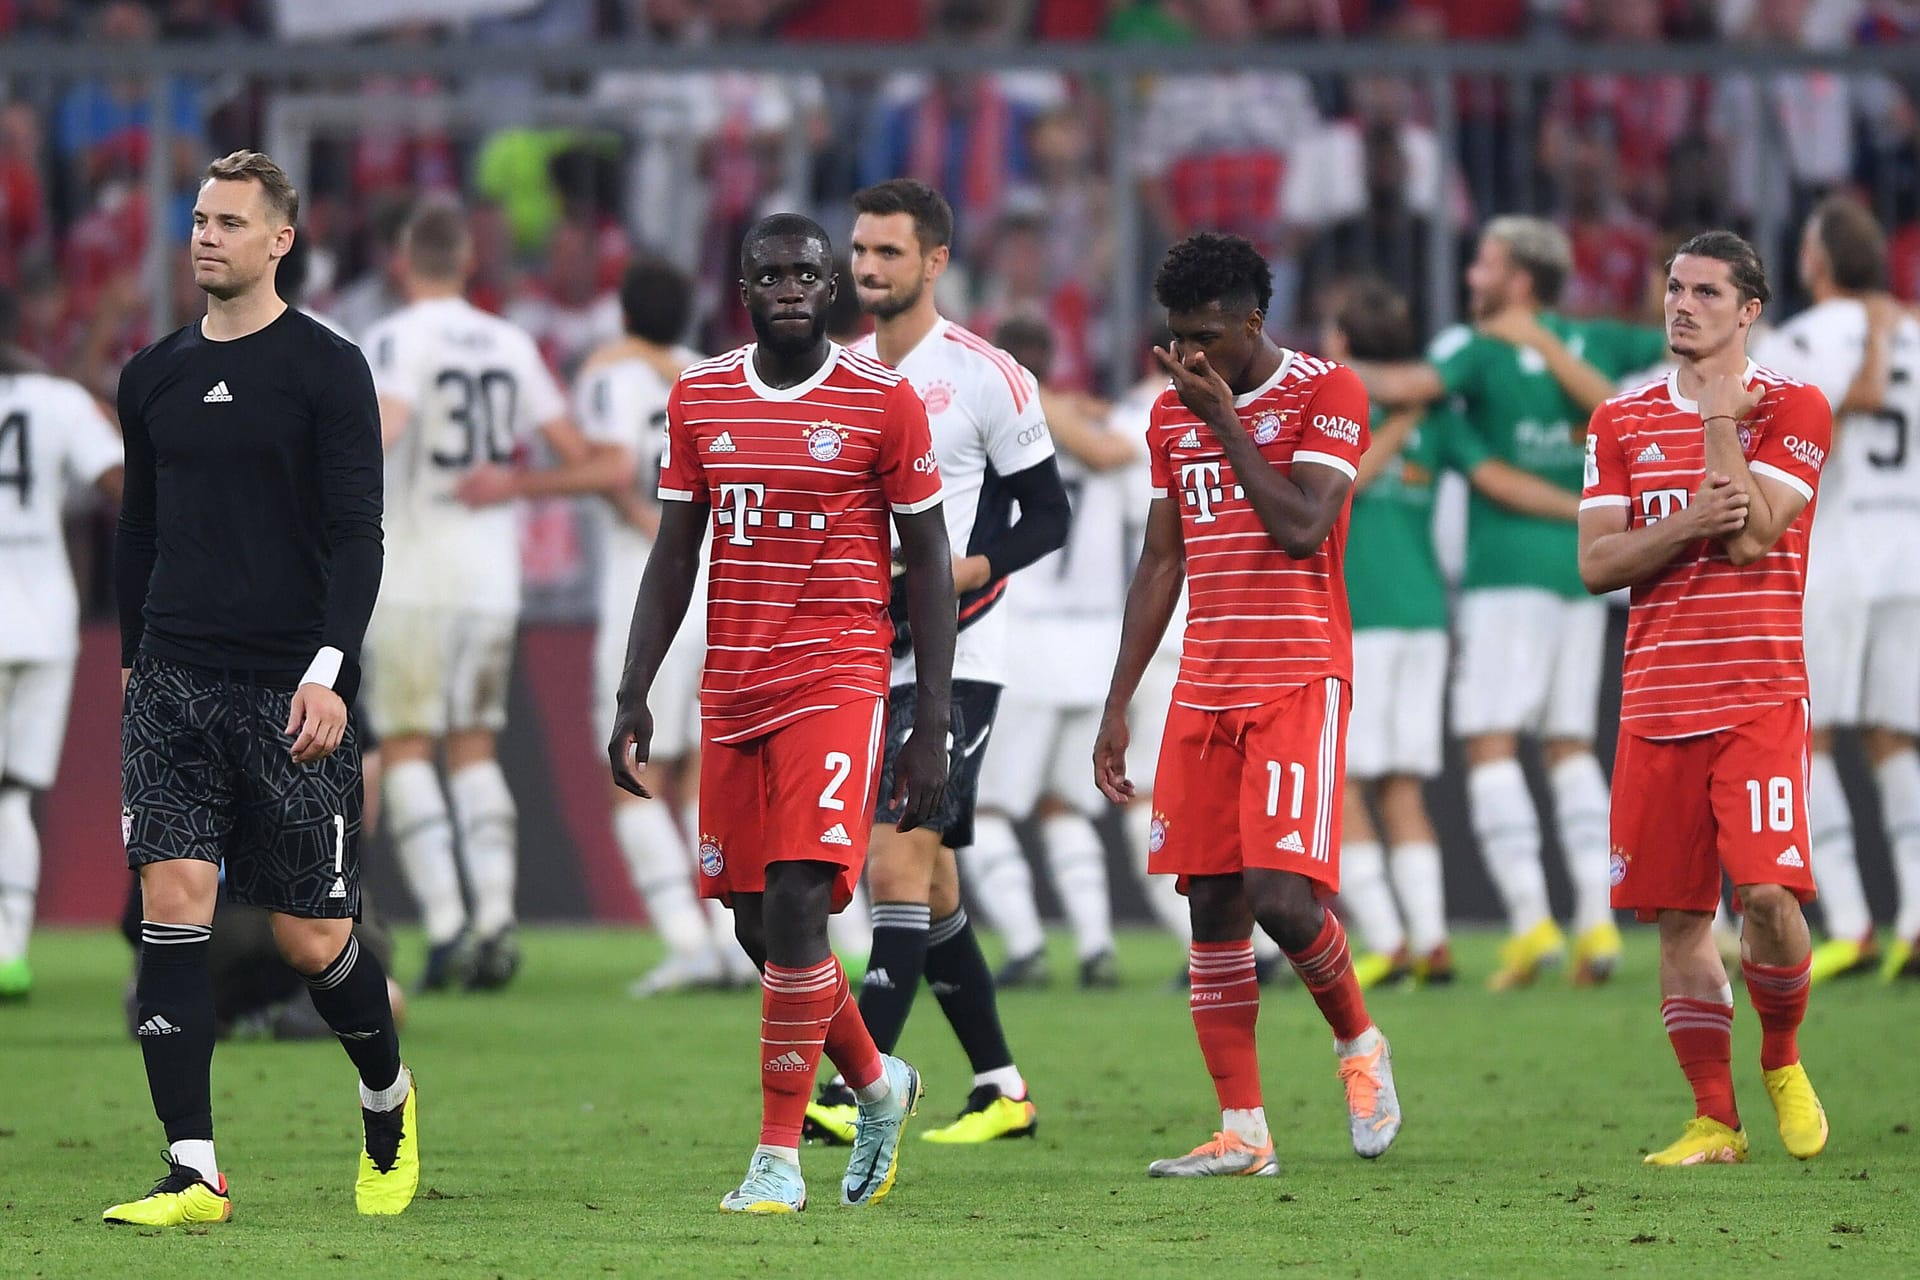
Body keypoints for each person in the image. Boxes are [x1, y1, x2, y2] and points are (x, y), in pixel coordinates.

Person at [607, 212, 954, 1214]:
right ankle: (880, 1086)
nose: (794, 284)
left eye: (811, 270)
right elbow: (676, 551)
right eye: (773, 272)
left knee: (802, 903)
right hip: (735, 689)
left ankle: (776, 1157)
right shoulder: (700, 394)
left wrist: (928, 718)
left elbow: (928, 560)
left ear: (835, 285)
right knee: (762, 931)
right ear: (745, 289)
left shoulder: (883, 401)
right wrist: (635, 686)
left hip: (838, 682)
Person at [108, 150, 415, 1225]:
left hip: (293, 690)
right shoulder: (151, 374)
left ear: (280, 239)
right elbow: (139, 528)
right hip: (174, 679)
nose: (207, 236)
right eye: (199, 218)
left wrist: (331, 670)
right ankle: (195, 1168)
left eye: (231, 221)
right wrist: (132, 665)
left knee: (309, 936)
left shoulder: (329, 370)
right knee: (172, 907)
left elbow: (356, 538)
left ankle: (387, 1096)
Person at [1094, 231, 1402, 1179]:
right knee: (1213, 908)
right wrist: (1120, 703)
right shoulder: (1169, 414)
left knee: (1281, 898)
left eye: (1206, 337)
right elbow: (1162, 560)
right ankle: (1245, 1132)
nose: (1189, 357)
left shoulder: (1327, 391)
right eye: (1175, 340)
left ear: (1252, 322)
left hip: (1298, 678)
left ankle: (1360, 1045)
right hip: (1203, 684)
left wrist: (1228, 425)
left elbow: (1306, 528)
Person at [805, 179, 1069, 1148]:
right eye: (860, 251)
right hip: (866, 650)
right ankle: (1001, 1085)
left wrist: (957, 572)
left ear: (935, 262)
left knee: (897, 856)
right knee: (938, 884)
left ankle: (852, 1085)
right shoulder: (836, 371)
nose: (867, 267)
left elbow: (1049, 514)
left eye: (887, 253)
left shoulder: (988, 375)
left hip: (962, 652)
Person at [1354, 216, 1668, 988]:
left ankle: (1532, 922)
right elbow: (1654, 366)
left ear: (1520, 280)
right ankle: (1596, 925)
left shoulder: (1475, 345)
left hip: (1506, 573)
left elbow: (1409, 387)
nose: (1471, 279)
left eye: (1485, 265)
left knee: (1492, 744)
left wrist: (1299, 368)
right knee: (1568, 745)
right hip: (1585, 571)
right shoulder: (1602, 339)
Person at [1578, 230, 1830, 1166]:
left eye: (1707, 293)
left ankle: (1783, 1059)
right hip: (1655, 705)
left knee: (1764, 896)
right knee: (1681, 920)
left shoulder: (1796, 406)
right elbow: (1597, 562)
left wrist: (1721, 420)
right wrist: (1686, 516)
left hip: (1759, 695)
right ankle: (1714, 1120)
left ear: (1750, 310)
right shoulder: (1619, 420)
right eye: (1675, 289)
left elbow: (1755, 538)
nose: (1682, 305)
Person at [362, 199, 627, 992]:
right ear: (469, 263)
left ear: (403, 263)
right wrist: (517, 483)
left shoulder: (393, 339)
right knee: (475, 746)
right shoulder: (511, 342)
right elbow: (599, 461)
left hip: (410, 573)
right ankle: (498, 919)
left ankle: (445, 924)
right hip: (489, 580)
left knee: (408, 743)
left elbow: (389, 424)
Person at [574, 255, 756, 996]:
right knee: (695, 772)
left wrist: (645, 522)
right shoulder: (711, 374)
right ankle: (730, 939)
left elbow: (615, 469)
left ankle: (688, 943)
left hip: (640, 589)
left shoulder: (608, 374)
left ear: (623, 314)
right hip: (711, 584)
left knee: (631, 769)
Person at [1749, 196, 1920, 983]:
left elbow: (1819, 423)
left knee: (1807, 736)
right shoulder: (1913, 328)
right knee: (1894, 737)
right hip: (1909, 554)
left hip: (1838, 555)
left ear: (1815, 261)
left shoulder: (1803, 339)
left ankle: (1851, 921)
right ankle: (1914, 916)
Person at [961, 313, 1136, 990]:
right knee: (1067, 803)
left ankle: (1028, 944)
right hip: (1094, 643)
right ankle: (1095, 946)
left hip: (1022, 641)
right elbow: (1118, 463)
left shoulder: (990, 431)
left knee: (985, 807)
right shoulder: (1103, 433)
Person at [1320, 279, 1455, 986]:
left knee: (1341, 784)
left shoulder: (1343, 408)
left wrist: (1393, 422)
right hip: (1426, 617)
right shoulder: (1435, 419)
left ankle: (1389, 940)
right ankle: (1431, 939)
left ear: (1343, 343)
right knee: (1401, 786)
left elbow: (1341, 485)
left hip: (1364, 618)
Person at [0, 289, 124, 999]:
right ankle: (10, 951)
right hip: (45, 619)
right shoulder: (55, 401)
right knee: (15, 793)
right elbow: (125, 487)